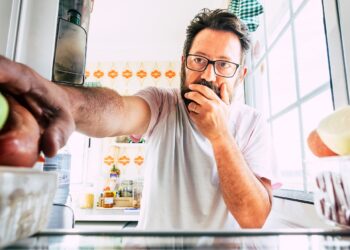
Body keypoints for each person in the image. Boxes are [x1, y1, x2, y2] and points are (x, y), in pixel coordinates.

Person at [0, 9, 272, 229]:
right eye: (199, 60)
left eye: (224, 65)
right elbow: (118, 110)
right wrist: (64, 101)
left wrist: (220, 135)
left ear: (241, 75)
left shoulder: (253, 124)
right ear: (183, 62)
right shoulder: (163, 103)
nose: (209, 76)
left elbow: (254, 218)